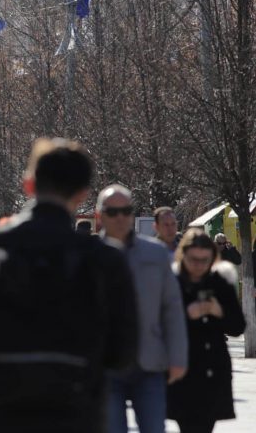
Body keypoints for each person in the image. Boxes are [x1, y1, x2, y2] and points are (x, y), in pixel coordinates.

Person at [0, 138, 138, 433]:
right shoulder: (104, 259)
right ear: (83, 194)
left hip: (1, 407)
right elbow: (123, 348)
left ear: (29, 185)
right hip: (77, 406)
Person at [97, 184, 189, 433]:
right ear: (100, 215)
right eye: (112, 211)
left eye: (126, 211)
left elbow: (172, 307)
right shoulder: (90, 257)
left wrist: (178, 357)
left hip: (149, 362)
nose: (120, 217)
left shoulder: (155, 254)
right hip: (106, 367)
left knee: (153, 428)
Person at [167, 230, 246, 433]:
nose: (199, 266)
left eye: (205, 260)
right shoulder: (173, 283)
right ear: (183, 256)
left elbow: (238, 327)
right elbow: (159, 322)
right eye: (194, 259)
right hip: (182, 367)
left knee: (204, 426)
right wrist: (186, 314)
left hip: (212, 369)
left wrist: (219, 311)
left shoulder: (219, 282)